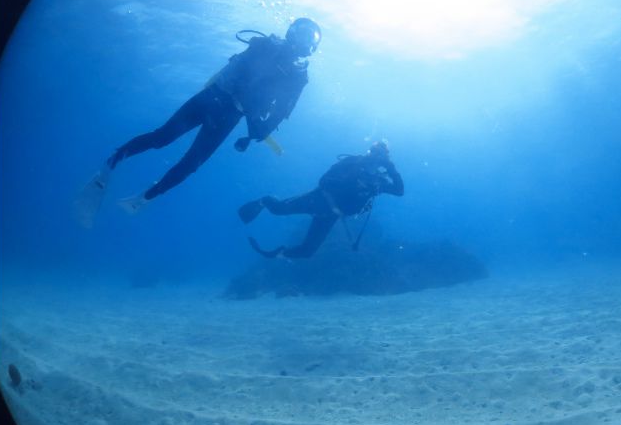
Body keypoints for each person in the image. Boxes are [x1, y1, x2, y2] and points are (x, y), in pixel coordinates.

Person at [78, 18, 321, 222]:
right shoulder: (266, 45)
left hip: (229, 116)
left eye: (311, 40)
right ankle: (110, 164)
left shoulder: (298, 78)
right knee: (162, 137)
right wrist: (254, 116)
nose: (304, 42)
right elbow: (240, 71)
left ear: (312, 48)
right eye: (303, 35)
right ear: (292, 32)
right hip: (213, 98)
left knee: (192, 163)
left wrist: (257, 130)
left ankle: (143, 199)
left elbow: (281, 113)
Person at [240, 141, 404, 258]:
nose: (375, 158)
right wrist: (353, 181)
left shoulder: (379, 182)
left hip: (331, 215)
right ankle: (264, 201)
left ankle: (278, 254)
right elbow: (324, 181)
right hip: (319, 199)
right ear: (369, 152)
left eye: (381, 156)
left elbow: (399, 191)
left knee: (307, 252)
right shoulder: (353, 162)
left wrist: (392, 169)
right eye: (374, 152)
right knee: (278, 210)